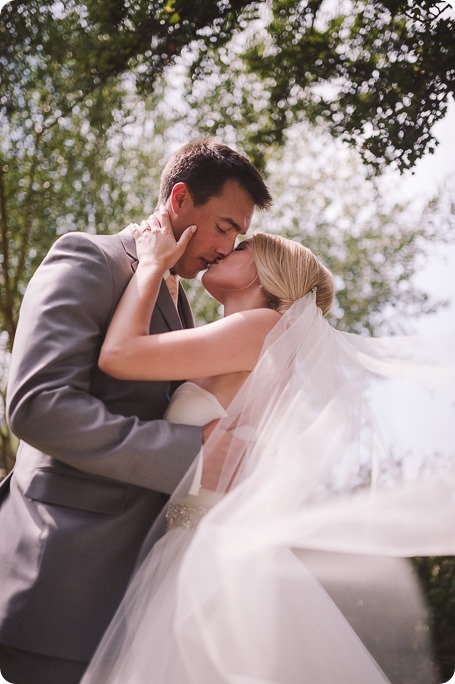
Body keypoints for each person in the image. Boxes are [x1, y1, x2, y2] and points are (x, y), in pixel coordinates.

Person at [81, 209, 455, 683]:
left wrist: (152, 265)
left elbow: (120, 355)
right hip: (190, 548)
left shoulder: (257, 330)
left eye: (240, 247)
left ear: (266, 272)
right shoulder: (247, 340)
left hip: (205, 564)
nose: (222, 248)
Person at [0, 140, 272, 684]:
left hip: (140, 597)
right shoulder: (91, 260)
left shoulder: (185, 302)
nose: (226, 247)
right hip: (65, 572)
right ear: (179, 199)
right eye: (223, 226)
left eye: (236, 236)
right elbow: (37, 405)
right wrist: (192, 455)